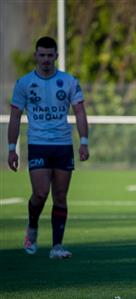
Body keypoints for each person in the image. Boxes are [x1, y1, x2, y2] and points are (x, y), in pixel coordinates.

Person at [7, 36, 89, 259]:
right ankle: (32, 227)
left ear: (56, 56)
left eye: (49, 55)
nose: (45, 59)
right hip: (38, 144)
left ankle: (57, 247)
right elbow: (15, 116)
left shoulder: (69, 81)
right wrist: (11, 147)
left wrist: (83, 142)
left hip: (63, 145)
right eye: (41, 55)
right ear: (35, 56)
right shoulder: (24, 83)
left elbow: (80, 112)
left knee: (60, 196)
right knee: (41, 193)